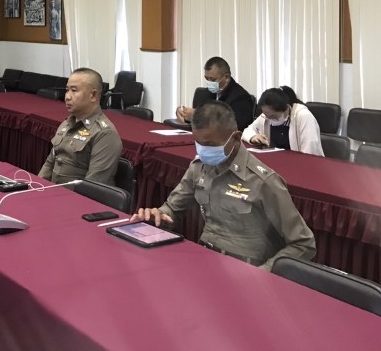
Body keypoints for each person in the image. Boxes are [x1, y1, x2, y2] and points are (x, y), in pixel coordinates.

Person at [133, 102, 316, 270]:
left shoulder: (263, 181)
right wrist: (158, 216)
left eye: (210, 144)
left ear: (236, 138)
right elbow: (172, 209)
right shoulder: (198, 168)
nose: (203, 150)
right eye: (198, 143)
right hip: (205, 260)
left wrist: (265, 272)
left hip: (247, 269)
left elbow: (303, 244)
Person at [38, 68, 122, 186]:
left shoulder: (105, 133)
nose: (67, 97)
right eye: (67, 90)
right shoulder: (66, 124)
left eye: (74, 90)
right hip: (53, 192)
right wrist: (37, 188)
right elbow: (49, 164)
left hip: (76, 196)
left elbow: (93, 185)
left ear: (93, 95)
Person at [175, 56, 254, 130]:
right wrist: (183, 112)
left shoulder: (241, 97)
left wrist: (198, 116)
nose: (209, 83)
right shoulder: (204, 94)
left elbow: (235, 127)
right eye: (207, 79)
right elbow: (194, 118)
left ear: (226, 77)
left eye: (213, 80)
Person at [242, 87, 324, 156]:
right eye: (266, 115)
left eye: (274, 116)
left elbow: (309, 151)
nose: (269, 119)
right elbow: (248, 130)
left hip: (300, 162)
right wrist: (253, 137)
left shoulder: (303, 116)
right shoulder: (267, 115)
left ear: (286, 108)